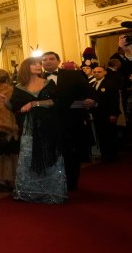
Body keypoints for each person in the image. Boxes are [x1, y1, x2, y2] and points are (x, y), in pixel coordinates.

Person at [3, 57, 67, 203]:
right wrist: (5, 101)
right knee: (28, 156)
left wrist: (34, 103)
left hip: (48, 125)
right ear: (26, 67)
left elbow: (56, 101)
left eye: (39, 63)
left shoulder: (48, 83)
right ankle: (28, 192)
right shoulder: (18, 87)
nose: (39, 65)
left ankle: (52, 193)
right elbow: (15, 107)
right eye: (35, 64)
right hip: (28, 128)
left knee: (50, 154)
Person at [41, 51, 96, 191]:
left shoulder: (73, 75)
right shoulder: (37, 78)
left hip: (71, 121)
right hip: (47, 123)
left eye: (51, 59)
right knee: (50, 153)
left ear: (58, 61)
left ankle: (71, 183)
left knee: (71, 154)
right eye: (44, 60)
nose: (48, 61)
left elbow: (89, 91)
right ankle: (53, 183)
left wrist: (92, 99)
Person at [90, 66, 121, 161]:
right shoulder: (92, 84)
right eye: (94, 72)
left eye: (99, 72)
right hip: (97, 114)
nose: (96, 73)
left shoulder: (110, 84)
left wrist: (114, 114)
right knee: (100, 135)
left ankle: (113, 155)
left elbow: (115, 100)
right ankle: (105, 154)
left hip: (108, 114)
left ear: (105, 72)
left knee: (110, 134)